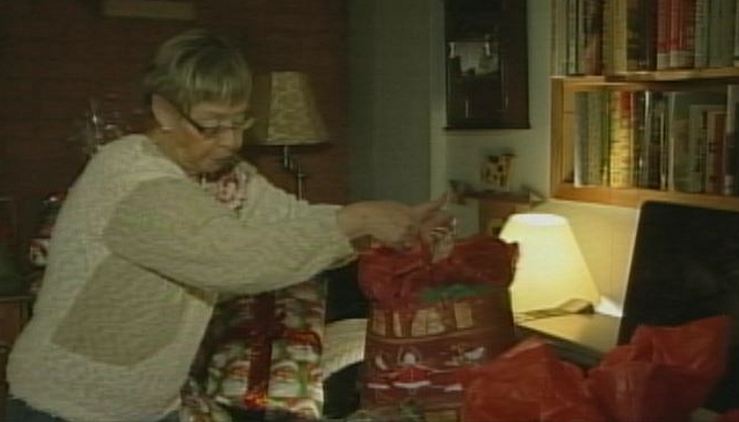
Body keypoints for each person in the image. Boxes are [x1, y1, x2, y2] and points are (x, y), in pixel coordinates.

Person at [6, 28, 449, 422]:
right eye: (214, 125)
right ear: (164, 112)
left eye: (240, 123)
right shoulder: (130, 180)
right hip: (64, 406)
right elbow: (235, 260)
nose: (232, 141)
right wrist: (357, 220)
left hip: (149, 405)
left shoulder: (222, 175)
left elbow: (290, 219)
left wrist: (393, 224)